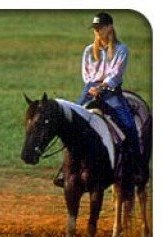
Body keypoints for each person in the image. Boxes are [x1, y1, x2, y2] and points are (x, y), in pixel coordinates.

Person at [53, 12, 143, 187]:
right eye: (95, 29)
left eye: (100, 28)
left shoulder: (121, 49)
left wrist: (100, 87)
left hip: (111, 91)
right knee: (71, 121)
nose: (97, 31)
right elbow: (86, 74)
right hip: (90, 88)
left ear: (109, 27)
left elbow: (115, 75)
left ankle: (137, 168)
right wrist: (93, 87)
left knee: (129, 125)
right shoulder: (88, 50)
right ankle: (65, 169)